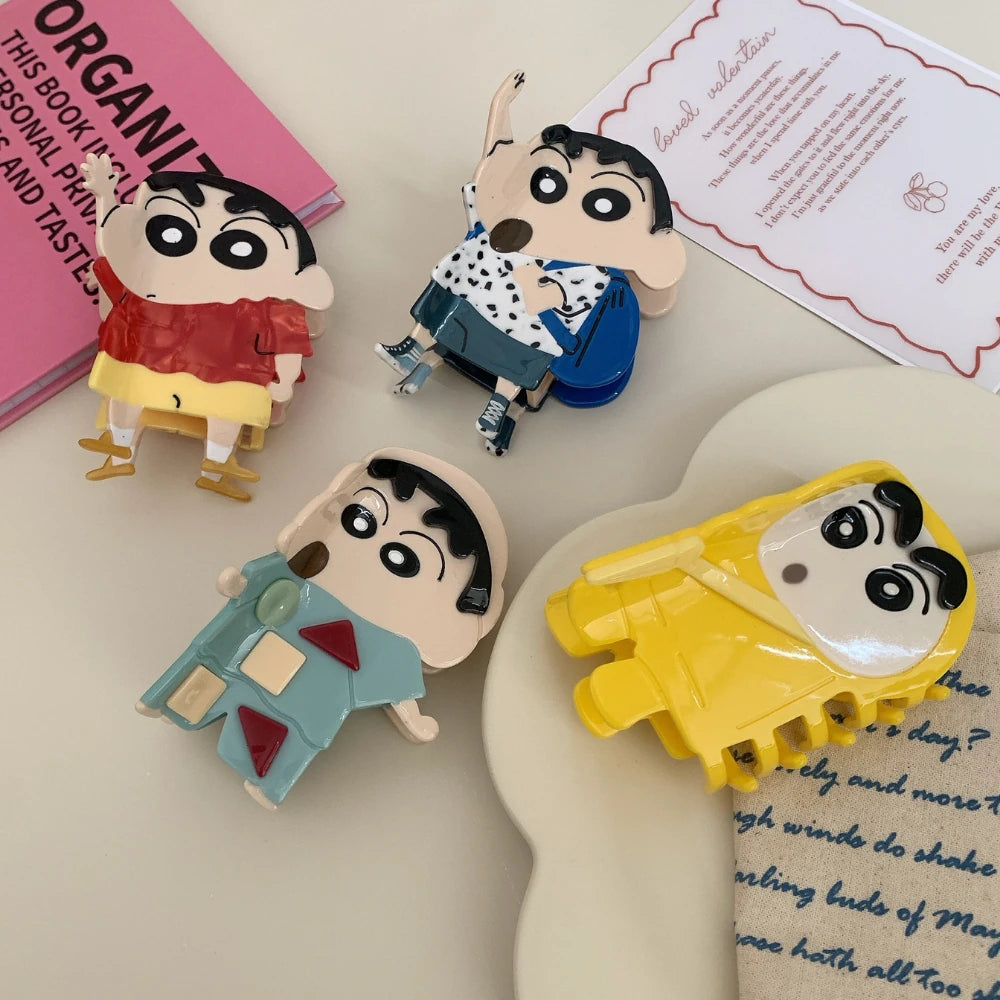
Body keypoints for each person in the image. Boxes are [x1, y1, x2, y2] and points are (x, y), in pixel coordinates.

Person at [136, 448, 508, 809]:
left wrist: (413, 719)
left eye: (403, 560)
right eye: (360, 522)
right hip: (255, 650)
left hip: (304, 703)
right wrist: (241, 587)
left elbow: (395, 679)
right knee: (214, 672)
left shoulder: (391, 644)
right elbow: (258, 588)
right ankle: (174, 704)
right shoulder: (298, 578)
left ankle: (267, 778)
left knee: (282, 732)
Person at [78, 155, 334, 500]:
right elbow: (115, 256)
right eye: (173, 233)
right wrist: (105, 199)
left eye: (241, 249)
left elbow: (288, 347)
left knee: (225, 409)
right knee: (128, 391)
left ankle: (216, 467)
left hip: (229, 377)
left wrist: (282, 387)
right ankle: (121, 449)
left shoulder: (271, 309)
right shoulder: (150, 288)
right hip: (152, 366)